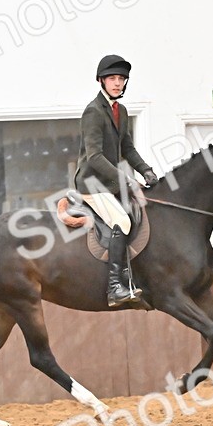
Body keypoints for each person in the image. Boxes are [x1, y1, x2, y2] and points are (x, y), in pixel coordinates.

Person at [73, 54, 160, 307]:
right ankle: (114, 288)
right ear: (101, 81)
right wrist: (127, 180)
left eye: (121, 79)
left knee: (141, 211)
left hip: (111, 183)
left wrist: (146, 171)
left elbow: (128, 149)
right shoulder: (93, 112)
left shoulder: (120, 110)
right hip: (92, 184)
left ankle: (128, 273)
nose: (117, 83)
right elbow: (95, 156)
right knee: (121, 220)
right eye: (112, 78)